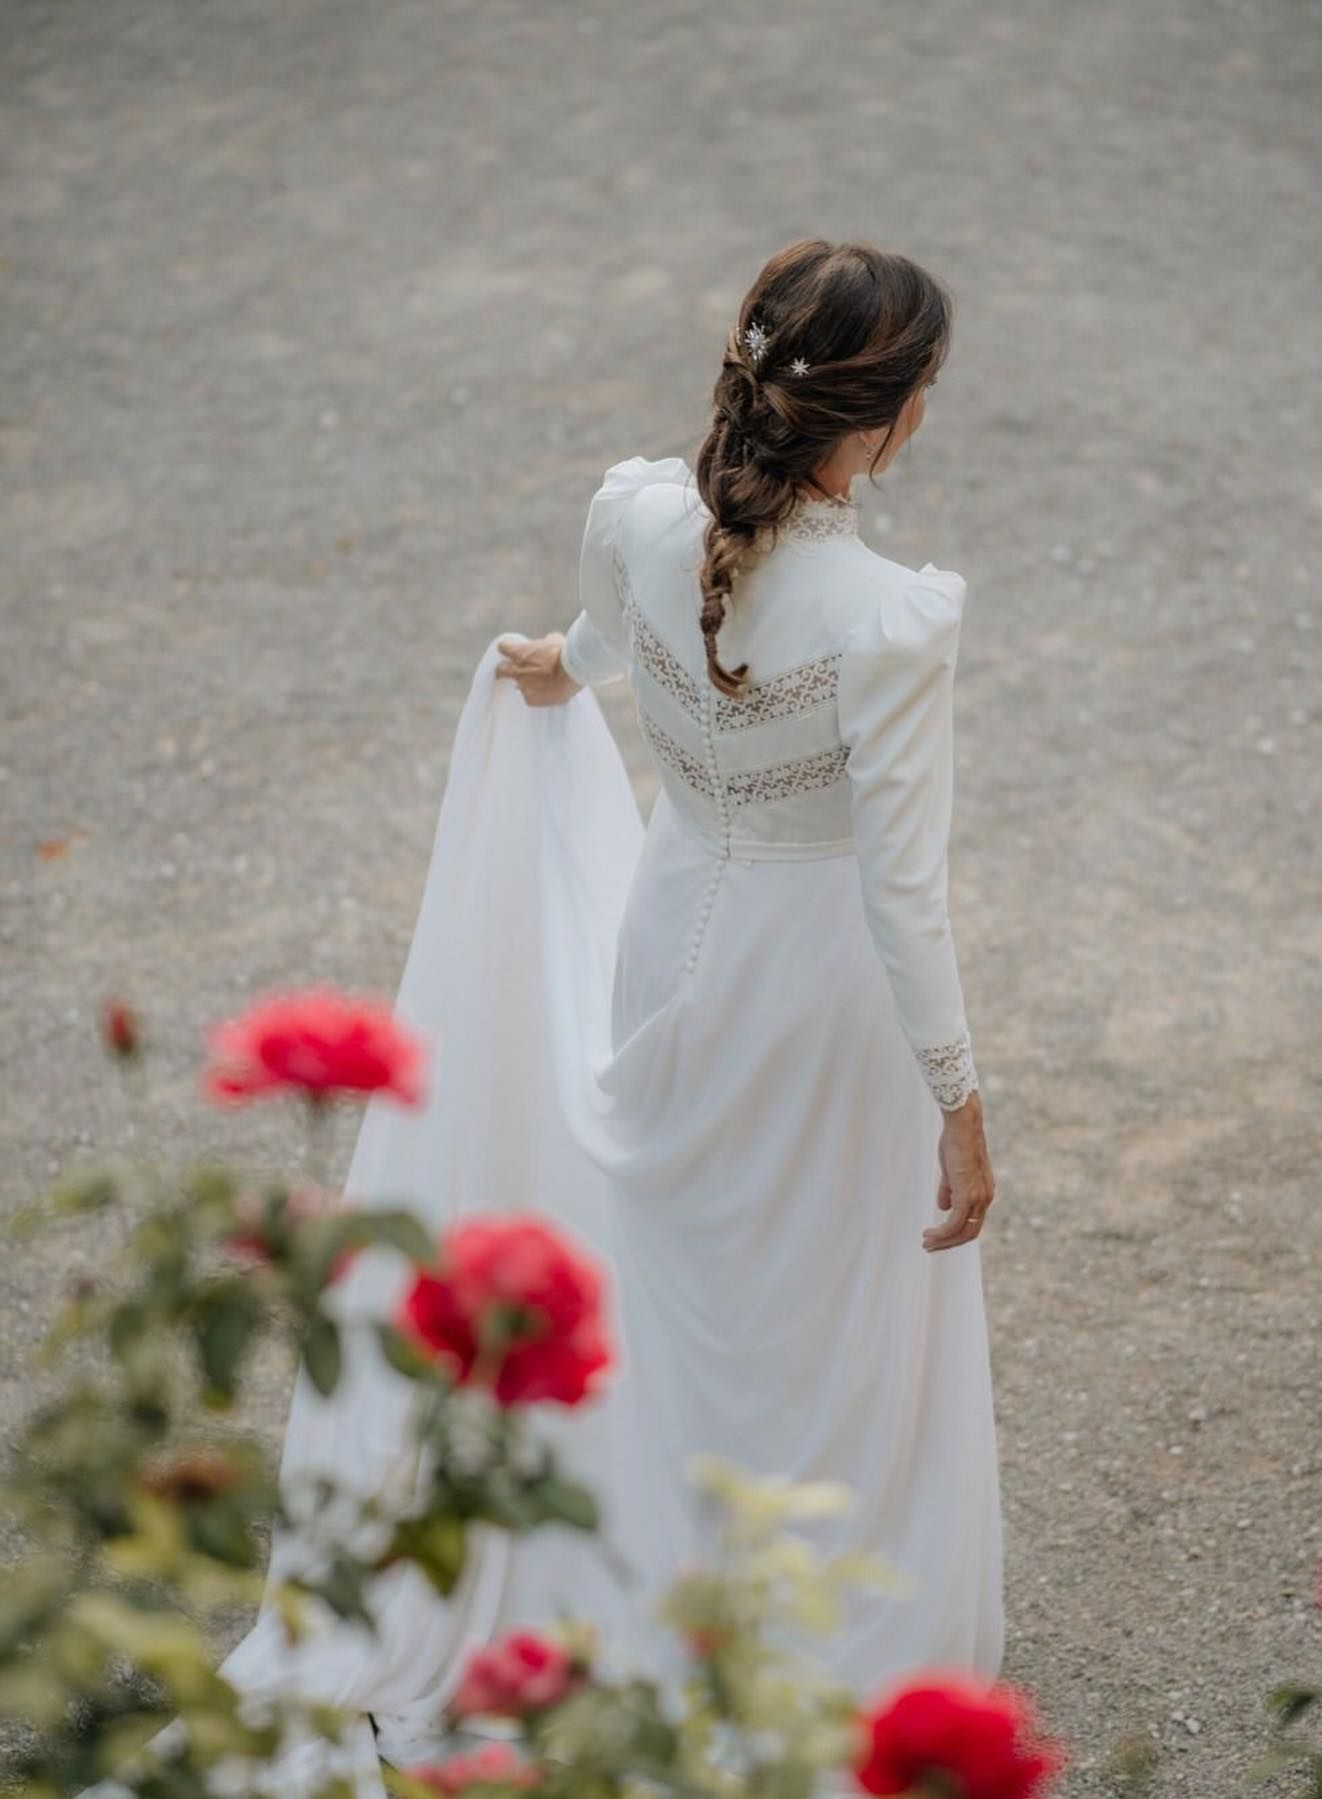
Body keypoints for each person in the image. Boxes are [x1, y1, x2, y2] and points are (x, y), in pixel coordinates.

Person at [494, 236, 1004, 1693]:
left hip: (673, 926)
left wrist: (561, 665)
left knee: (686, 1259)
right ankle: (804, 1612)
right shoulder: (891, 622)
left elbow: (619, 626)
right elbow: (904, 893)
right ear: (892, 417)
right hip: (818, 983)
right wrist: (959, 1100)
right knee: (823, 1297)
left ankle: (666, 1557)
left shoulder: (640, 511)